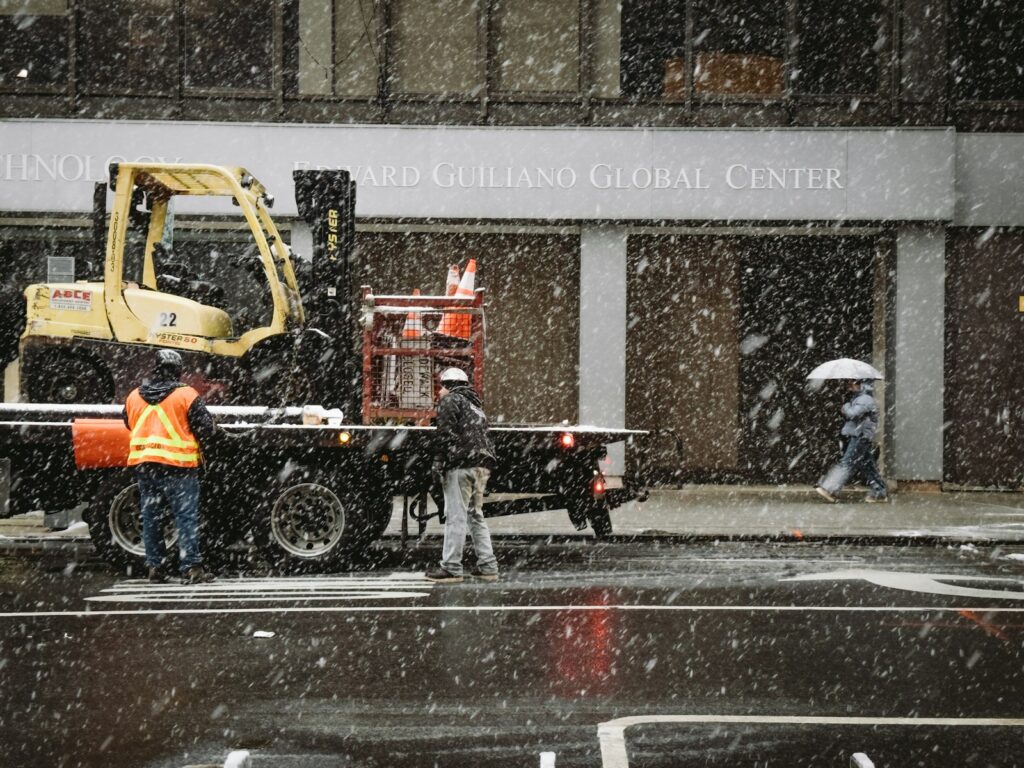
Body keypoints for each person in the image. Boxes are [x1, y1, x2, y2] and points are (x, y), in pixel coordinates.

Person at [122, 349, 218, 584]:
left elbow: (127, 421)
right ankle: (191, 568)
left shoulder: (134, 395)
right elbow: (205, 428)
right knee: (185, 517)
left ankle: (156, 568)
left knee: (151, 517)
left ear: (155, 368)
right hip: (179, 467)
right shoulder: (185, 394)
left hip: (146, 466)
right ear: (177, 370)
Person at [425, 367, 499, 583]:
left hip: (461, 465)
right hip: (482, 464)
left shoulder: (452, 400)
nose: (439, 392)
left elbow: (444, 433)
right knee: (475, 515)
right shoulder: (476, 406)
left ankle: (451, 568)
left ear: (450, 385)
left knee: (455, 516)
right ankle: (488, 566)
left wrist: (438, 460)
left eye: (441, 387)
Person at [814, 378, 888, 503]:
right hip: (858, 435)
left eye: (853, 382)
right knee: (867, 465)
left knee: (847, 463)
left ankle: (830, 489)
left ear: (861, 384)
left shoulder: (865, 399)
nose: (849, 384)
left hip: (860, 435)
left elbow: (853, 414)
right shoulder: (859, 398)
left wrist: (846, 406)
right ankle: (880, 491)